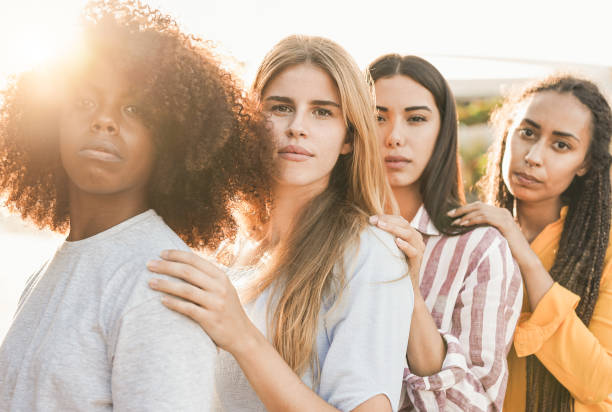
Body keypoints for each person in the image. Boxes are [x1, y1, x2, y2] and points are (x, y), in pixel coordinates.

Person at [0, 1, 273, 410]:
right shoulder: (48, 271)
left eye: (133, 109)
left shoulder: (161, 285)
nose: (104, 121)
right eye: (84, 101)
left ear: (172, 138)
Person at [147, 35, 413, 412]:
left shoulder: (369, 252)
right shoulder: (223, 245)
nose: (297, 127)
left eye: (322, 112)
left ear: (348, 138)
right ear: (250, 119)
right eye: (280, 107)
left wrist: (243, 337)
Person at [366, 54, 523, 411]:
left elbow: (476, 405)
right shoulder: (328, 231)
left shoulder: (480, 249)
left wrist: (407, 290)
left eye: (416, 118)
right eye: (378, 117)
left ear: (442, 130)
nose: (395, 137)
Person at [451, 75, 612, 411]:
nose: (534, 156)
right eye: (528, 133)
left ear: (584, 164)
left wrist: (524, 254)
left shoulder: (605, 250)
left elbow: (599, 381)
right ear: (508, 133)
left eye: (561, 145)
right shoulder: (472, 234)